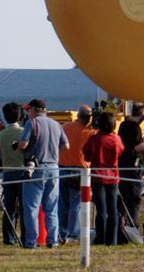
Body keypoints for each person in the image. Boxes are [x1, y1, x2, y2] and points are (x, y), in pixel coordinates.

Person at [17, 98, 70, 248]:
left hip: (36, 168)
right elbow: (66, 145)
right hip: (54, 168)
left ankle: (31, 241)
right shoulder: (56, 124)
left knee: (32, 207)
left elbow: (23, 144)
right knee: (51, 207)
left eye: (28, 110)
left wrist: (21, 148)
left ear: (35, 110)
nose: (27, 113)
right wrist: (53, 152)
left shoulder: (31, 123)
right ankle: (52, 240)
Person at [82, 110, 124, 246]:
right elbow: (120, 152)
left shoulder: (95, 139)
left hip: (97, 176)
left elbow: (86, 154)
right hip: (112, 176)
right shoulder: (116, 139)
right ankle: (113, 240)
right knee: (113, 209)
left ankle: (101, 238)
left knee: (101, 210)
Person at [57, 105, 92, 243]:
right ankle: (73, 232)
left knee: (63, 203)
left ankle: (62, 231)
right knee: (76, 203)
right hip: (80, 170)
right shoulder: (90, 131)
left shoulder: (65, 127)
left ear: (78, 115)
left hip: (63, 167)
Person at [0, 103, 27, 246]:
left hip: (7, 172)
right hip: (22, 171)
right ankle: (26, 236)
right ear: (19, 116)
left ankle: (9, 238)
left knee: (9, 208)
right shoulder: (23, 132)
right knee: (25, 207)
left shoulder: (0, 135)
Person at [116, 105, 144, 235]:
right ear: (142, 113)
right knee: (134, 197)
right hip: (133, 165)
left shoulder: (123, 125)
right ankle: (133, 227)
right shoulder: (135, 128)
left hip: (122, 164)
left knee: (123, 195)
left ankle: (122, 223)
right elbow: (136, 148)